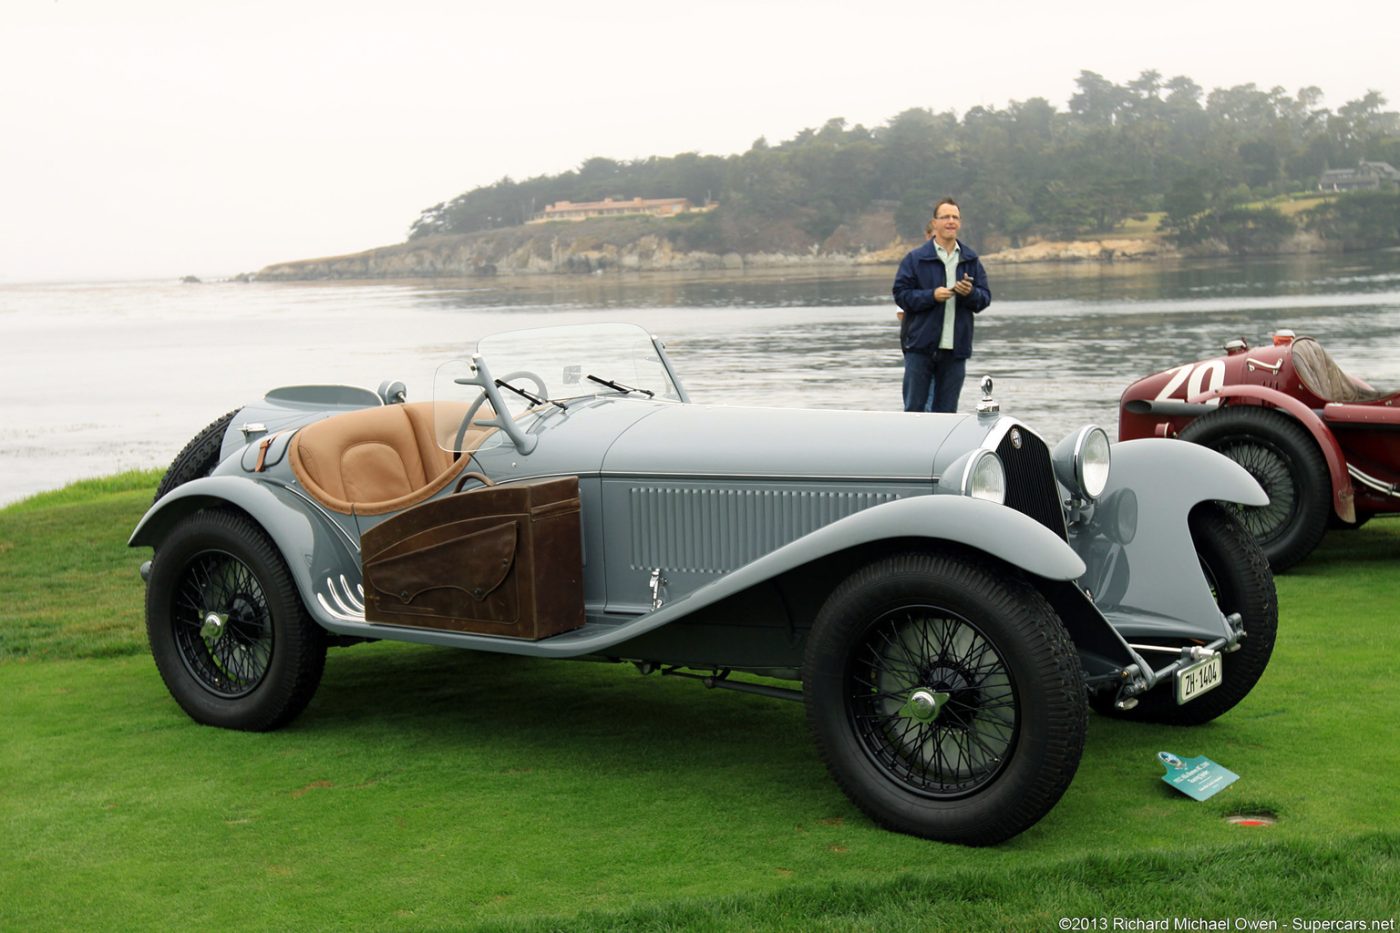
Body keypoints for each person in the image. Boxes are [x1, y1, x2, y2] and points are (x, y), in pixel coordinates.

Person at [891, 198, 992, 412]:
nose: (950, 221)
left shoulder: (970, 259)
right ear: (934, 223)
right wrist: (931, 296)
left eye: (955, 217)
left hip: (955, 350)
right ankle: (914, 446)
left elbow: (984, 298)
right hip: (919, 348)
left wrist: (970, 293)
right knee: (915, 410)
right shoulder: (915, 259)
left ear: (960, 223)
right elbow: (901, 295)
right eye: (945, 217)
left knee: (947, 413)